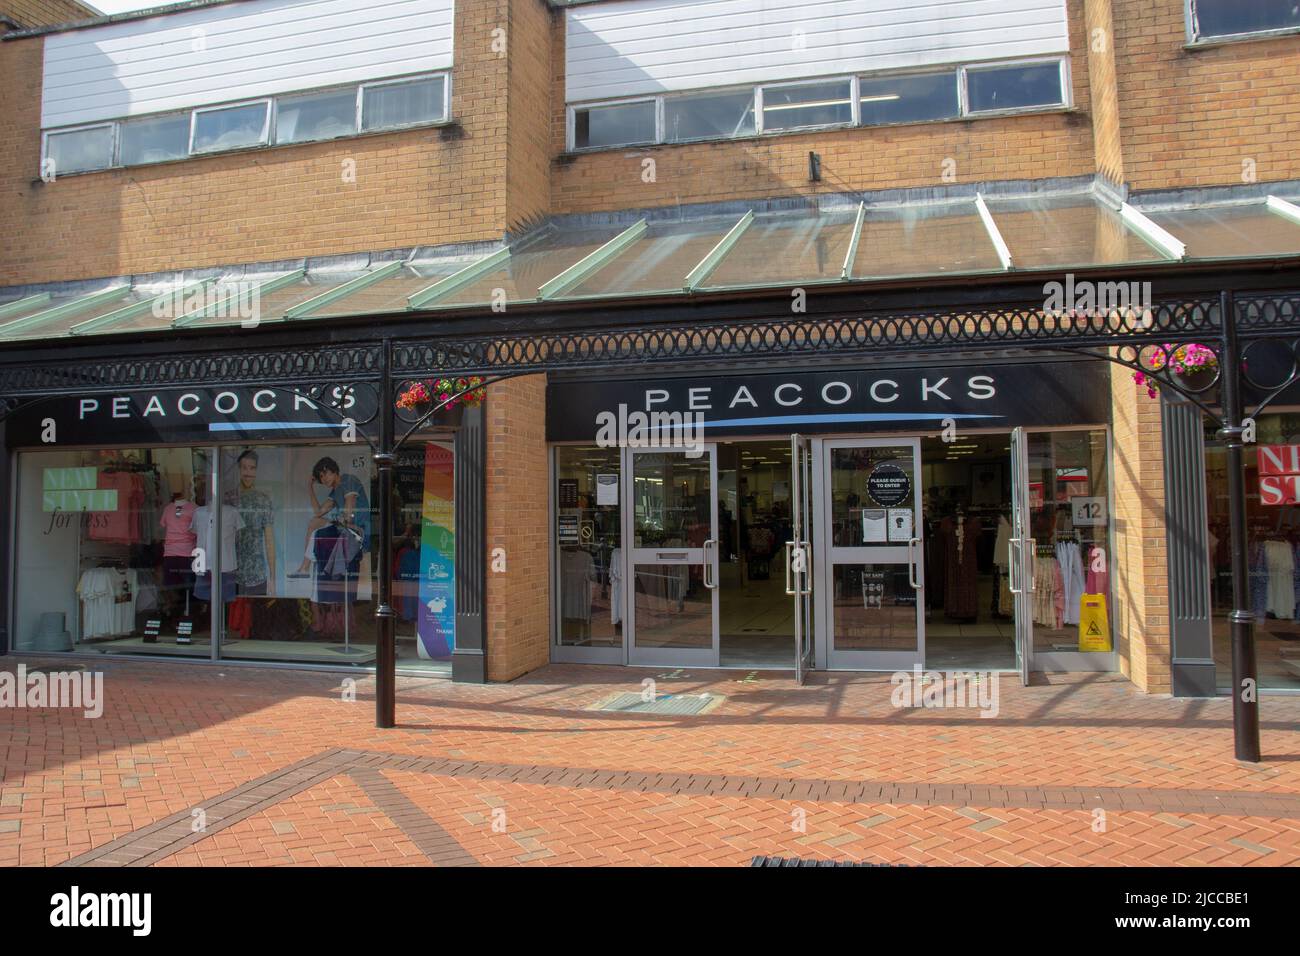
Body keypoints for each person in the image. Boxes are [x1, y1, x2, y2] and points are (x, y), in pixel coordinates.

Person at [293, 456, 371, 575]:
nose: (324, 479)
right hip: (347, 528)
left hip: (359, 532)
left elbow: (349, 517)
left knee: (318, 529)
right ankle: (305, 567)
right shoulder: (335, 491)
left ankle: (306, 568)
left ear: (334, 470)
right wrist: (310, 487)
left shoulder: (348, 481)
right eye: (321, 477)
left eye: (326, 473)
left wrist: (337, 520)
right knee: (315, 522)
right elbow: (319, 512)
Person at [233, 449, 276, 596]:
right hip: (232, 574)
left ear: (256, 470)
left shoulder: (263, 500)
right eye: (244, 467)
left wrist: (273, 578)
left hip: (258, 576)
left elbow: (269, 541)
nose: (248, 472)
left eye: (252, 468)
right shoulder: (228, 499)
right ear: (239, 469)